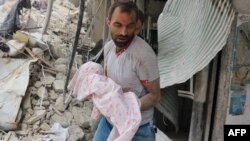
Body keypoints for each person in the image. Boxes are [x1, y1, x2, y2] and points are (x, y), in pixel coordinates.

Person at [93, 1, 161, 141]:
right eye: (118, 25)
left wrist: (127, 107)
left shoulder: (144, 55)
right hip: (110, 122)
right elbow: (108, 83)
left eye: (129, 26)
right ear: (108, 22)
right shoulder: (108, 48)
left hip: (139, 128)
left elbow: (155, 96)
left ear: (136, 26)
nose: (124, 32)